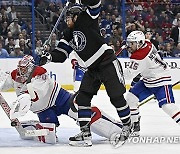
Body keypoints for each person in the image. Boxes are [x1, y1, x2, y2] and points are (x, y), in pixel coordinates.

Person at [40, 0, 132, 147]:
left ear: (77, 16)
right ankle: (85, 133)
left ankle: (127, 126)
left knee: (116, 98)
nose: (67, 19)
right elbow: (62, 54)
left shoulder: (86, 19)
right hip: (92, 69)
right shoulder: (68, 34)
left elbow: (95, 4)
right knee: (82, 99)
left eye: (69, 16)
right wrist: (48, 57)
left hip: (107, 63)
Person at [0, 55, 124, 145]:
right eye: (20, 69)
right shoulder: (15, 75)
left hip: (60, 99)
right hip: (43, 109)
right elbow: (3, 84)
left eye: (24, 69)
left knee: (82, 112)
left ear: (31, 67)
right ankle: (31, 126)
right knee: (50, 139)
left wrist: (23, 99)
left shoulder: (40, 74)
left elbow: (37, 95)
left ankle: (117, 128)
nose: (21, 72)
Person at [124, 30, 180, 136]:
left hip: (161, 80)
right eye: (129, 43)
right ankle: (135, 126)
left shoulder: (140, 56)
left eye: (132, 43)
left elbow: (128, 75)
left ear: (139, 43)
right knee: (130, 99)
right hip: (148, 79)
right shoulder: (147, 43)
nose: (129, 46)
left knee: (167, 106)